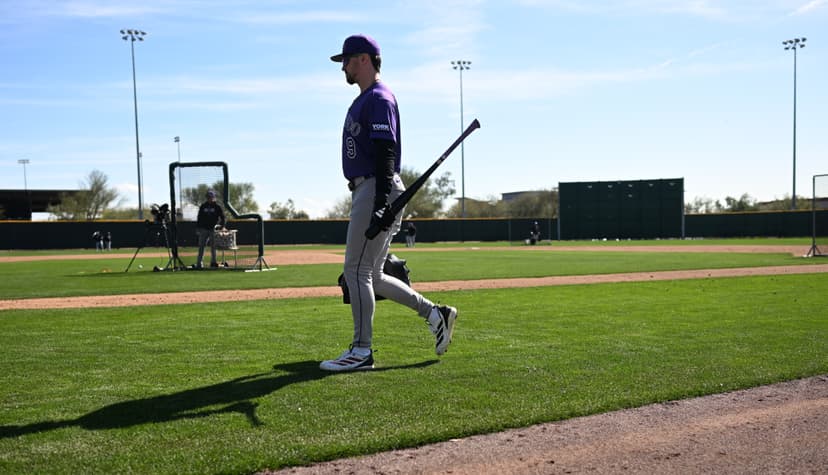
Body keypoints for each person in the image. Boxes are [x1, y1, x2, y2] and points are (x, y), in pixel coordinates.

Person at [320, 34, 457, 372]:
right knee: (374, 275)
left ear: (364, 59)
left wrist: (381, 202)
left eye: (347, 61)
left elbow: (386, 152)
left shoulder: (379, 98)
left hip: (375, 188)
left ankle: (361, 351)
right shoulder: (365, 99)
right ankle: (435, 313)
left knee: (356, 270)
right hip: (369, 189)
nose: (344, 68)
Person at [195, 190, 225, 269]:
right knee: (201, 246)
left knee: (213, 247)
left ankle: (213, 262)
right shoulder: (203, 206)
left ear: (214, 197)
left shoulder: (217, 207)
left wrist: (222, 226)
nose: (209, 198)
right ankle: (199, 263)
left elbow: (223, 217)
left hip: (213, 230)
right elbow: (199, 217)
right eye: (208, 197)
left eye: (211, 197)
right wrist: (198, 227)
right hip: (203, 229)